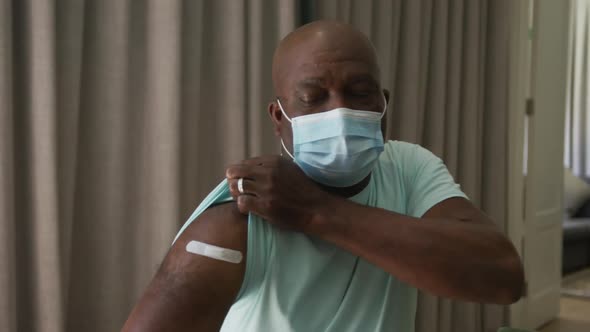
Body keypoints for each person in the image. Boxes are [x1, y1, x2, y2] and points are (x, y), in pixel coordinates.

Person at [122, 20, 524, 332]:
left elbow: (502, 276)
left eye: (359, 91)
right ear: (279, 118)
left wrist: (316, 212)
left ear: (384, 104)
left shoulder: (408, 168)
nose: (339, 111)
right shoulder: (239, 219)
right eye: (313, 98)